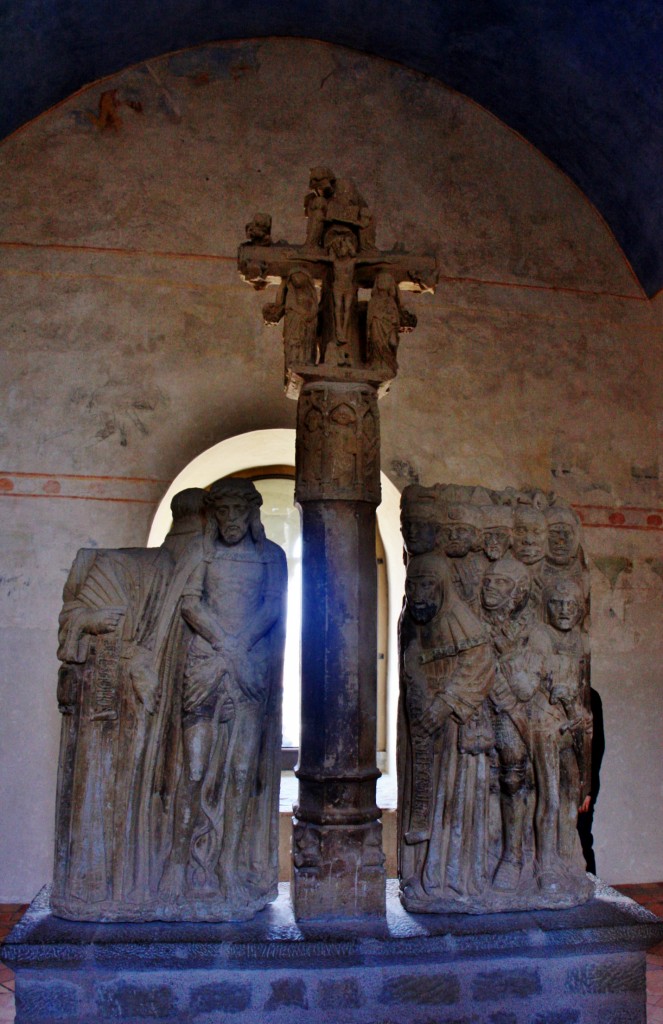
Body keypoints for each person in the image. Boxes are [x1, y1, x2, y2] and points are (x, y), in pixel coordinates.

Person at [160, 478, 287, 912]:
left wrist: (238, 645)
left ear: (252, 514)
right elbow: (189, 603)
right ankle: (183, 864)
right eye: (224, 512)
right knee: (193, 772)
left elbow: (274, 607)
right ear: (214, 515)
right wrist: (225, 643)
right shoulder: (202, 553)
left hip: (249, 670)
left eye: (239, 512)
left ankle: (229, 866)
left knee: (238, 775)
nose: (231, 521)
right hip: (205, 667)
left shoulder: (271, 557)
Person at [399, 553, 494, 909]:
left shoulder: (459, 618)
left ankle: (451, 876)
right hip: (423, 720)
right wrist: (421, 694)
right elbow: (410, 655)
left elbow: (480, 662)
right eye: (413, 585)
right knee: (426, 796)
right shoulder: (412, 618)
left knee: (450, 800)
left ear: (442, 588)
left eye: (427, 585)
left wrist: (443, 705)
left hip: (454, 729)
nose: (419, 593)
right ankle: (423, 873)